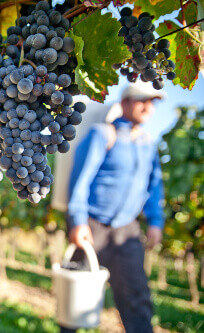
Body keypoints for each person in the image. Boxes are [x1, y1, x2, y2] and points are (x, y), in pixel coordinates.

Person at [66, 82, 166, 333]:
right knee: (76, 294)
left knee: (136, 297)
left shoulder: (147, 144)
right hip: (92, 227)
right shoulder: (102, 135)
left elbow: (154, 187)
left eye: (152, 102)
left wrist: (155, 221)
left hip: (128, 231)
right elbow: (81, 179)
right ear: (124, 103)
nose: (147, 107)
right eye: (141, 100)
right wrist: (78, 220)